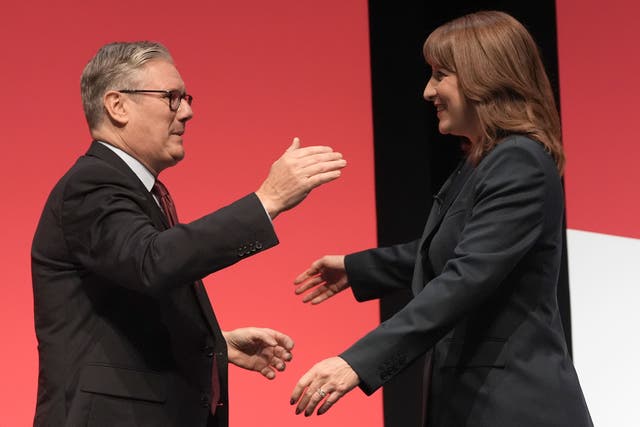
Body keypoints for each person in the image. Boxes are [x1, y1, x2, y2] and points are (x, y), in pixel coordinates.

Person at [290, 11, 593, 427]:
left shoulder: (518, 162)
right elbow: (456, 249)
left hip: (515, 407)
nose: (427, 91)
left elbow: (465, 278)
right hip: (474, 404)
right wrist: (358, 269)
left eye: (440, 75)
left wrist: (356, 362)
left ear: (484, 77)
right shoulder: (484, 160)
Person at [31, 41, 346, 427]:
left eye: (186, 98)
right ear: (117, 105)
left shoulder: (132, 188)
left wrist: (215, 344)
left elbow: (123, 306)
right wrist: (268, 200)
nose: (188, 111)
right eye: (172, 97)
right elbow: (152, 262)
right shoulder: (92, 185)